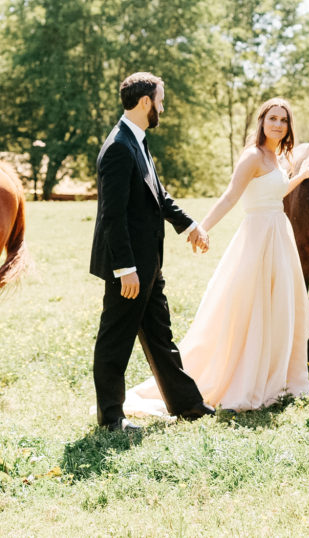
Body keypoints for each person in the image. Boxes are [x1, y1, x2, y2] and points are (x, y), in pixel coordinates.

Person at [123, 98, 309, 416]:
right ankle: (239, 375)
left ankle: (273, 374)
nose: (278, 125)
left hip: (279, 236)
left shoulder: (278, 156)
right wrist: (201, 228)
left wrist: (301, 177)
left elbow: (274, 192)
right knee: (249, 307)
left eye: (284, 120)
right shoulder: (252, 156)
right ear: (261, 121)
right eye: (273, 118)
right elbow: (231, 196)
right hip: (256, 238)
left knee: (278, 305)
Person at [89, 72, 216, 432]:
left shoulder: (137, 140)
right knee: (115, 342)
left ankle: (188, 406)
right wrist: (125, 268)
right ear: (146, 102)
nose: (162, 107)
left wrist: (190, 226)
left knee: (160, 336)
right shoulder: (118, 146)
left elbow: (157, 195)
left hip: (149, 265)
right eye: (160, 100)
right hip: (128, 268)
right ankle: (111, 419)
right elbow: (111, 216)